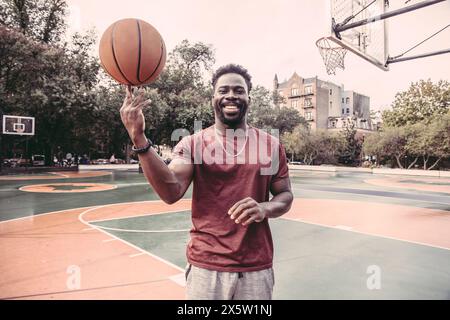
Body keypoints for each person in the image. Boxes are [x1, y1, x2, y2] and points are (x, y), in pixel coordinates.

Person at [120, 64, 293, 300]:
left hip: (255, 267)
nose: (231, 95)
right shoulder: (193, 144)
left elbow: (285, 195)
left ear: (249, 98)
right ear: (213, 98)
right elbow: (171, 191)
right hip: (206, 267)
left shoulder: (270, 145)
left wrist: (265, 208)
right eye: (223, 90)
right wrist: (138, 137)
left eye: (238, 90)